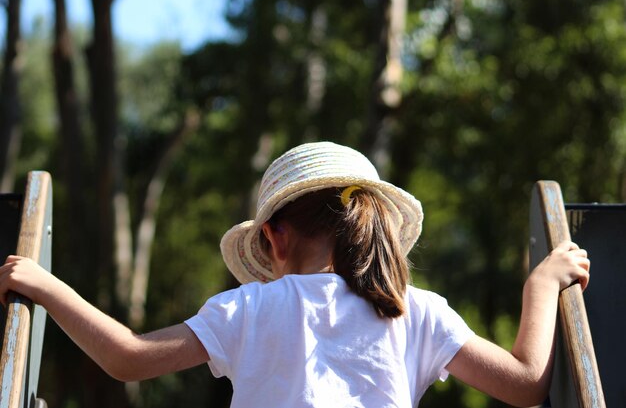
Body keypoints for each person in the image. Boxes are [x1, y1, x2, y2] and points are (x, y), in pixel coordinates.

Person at [0, 141, 589, 407]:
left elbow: (127, 357)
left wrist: (44, 285)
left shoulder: (248, 309)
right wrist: (540, 283)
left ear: (271, 238)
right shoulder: (419, 310)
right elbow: (526, 385)